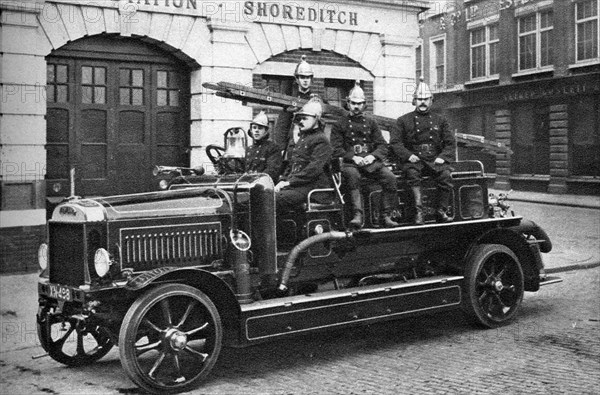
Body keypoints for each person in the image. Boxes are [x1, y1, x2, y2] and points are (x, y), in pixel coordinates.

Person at [330, 81, 399, 229]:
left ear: (364, 104)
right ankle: (357, 215)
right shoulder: (339, 124)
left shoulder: (371, 123)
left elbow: (382, 145)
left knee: (390, 178)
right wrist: (352, 157)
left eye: (359, 103)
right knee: (353, 176)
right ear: (348, 103)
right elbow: (336, 148)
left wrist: (372, 156)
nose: (356, 106)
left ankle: (386, 215)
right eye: (353, 103)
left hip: (370, 162)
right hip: (350, 163)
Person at [390, 77, 455, 225]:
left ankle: (441, 211)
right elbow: (395, 143)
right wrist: (409, 155)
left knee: (446, 175)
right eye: (419, 99)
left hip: (434, 160)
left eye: (426, 99)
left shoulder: (441, 120)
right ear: (414, 101)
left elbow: (450, 143)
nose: (423, 102)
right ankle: (418, 212)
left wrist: (443, 157)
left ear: (431, 100)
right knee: (412, 175)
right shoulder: (403, 120)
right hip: (415, 160)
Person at [275, 97, 332, 213]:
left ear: (316, 118)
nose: (301, 121)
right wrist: (283, 180)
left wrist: (289, 182)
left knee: (271, 199)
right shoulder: (303, 138)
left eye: (305, 118)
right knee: (262, 196)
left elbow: (313, 170)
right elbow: (292, 164)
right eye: (300, 118)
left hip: (314, 189)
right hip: (299, 187)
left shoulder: (321, 140)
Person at [273, 55, 316, 154]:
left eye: (308, 77)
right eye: (302, 77)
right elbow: (282, 126)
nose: (305, 80)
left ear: (311, 79)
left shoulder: (316, 99)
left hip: (312, 144)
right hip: (294, 144)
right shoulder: (291, 100)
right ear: (297, 79)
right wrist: (282, 148)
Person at [245, 110, 282, 183]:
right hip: (248, 183)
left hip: (265, 185)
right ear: (251, 130)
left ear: (266, 131)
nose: (256, 130)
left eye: (260, 128)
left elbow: (272, 171)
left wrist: (256, 181)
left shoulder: (273, 148)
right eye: (254, 128)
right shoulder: (249, 149)